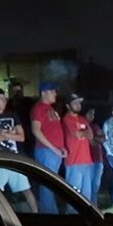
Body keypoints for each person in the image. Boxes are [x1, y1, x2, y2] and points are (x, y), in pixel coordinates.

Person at [0, 87, 38, 212]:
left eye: (4, 98)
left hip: (13, 157)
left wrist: (3, 134)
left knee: (26, 190)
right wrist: (8, 133)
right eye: (0, 98)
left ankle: (37, 213)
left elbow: (21, 137)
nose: (4, 100)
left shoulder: (13, 116)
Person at [30, 82, 67, 212]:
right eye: (52, 91)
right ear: (44, 93)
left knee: (51, 184)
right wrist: (54, 148)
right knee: (48, 185)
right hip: (46, 152)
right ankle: (50, 214)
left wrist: (61, 147)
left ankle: (51, 211)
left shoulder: (50, 109)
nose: (55, 94)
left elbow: (54, 131)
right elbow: (36, 130)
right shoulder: (39, 108)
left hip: (54, 152)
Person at [62, 93, 95, 201]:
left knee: (87, 195)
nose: (78, 105)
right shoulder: (67, 118)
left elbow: (90, 135)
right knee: (74, 196)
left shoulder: (82, 119)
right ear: (68, 106)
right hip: (74, 162)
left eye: (79, 102)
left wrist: (84, 132)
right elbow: (77, 134)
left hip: (87, 161)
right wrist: (84, 132)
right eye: (75, 103)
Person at [86, 108, 106, 206]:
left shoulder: (95, 126)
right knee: (88, 186)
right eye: (89, 114)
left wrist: (93, 138)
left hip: (98, 159)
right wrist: (94, 139)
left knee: (96, 185)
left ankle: (94, 205)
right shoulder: (83, 126)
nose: (92, 116)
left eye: (93, 114)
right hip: (87, 160)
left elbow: (103, 138)